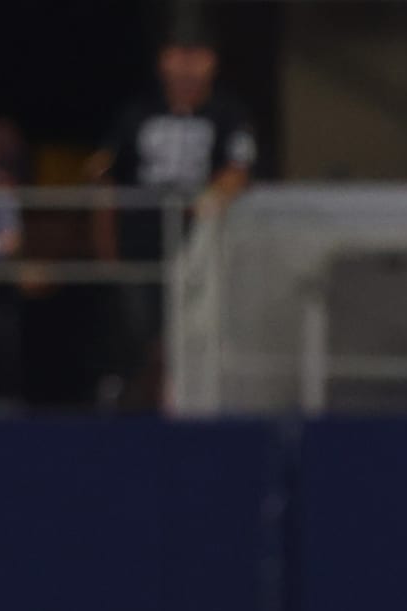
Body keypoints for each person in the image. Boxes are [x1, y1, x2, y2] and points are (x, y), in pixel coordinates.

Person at [90, 27, 257, 409]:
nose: (186, 67)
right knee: (141, 335)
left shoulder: (227, 113)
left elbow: (239, 169)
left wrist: (209, 198)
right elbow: (105, 176)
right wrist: (105, 244)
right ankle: (136, 407)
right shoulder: (137, 113)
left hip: (199, 248)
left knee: (191, 335)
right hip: (140, 245)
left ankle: (180, 407)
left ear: (212, 63)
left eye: (196, 56)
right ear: (163, 61)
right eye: (178, 55)